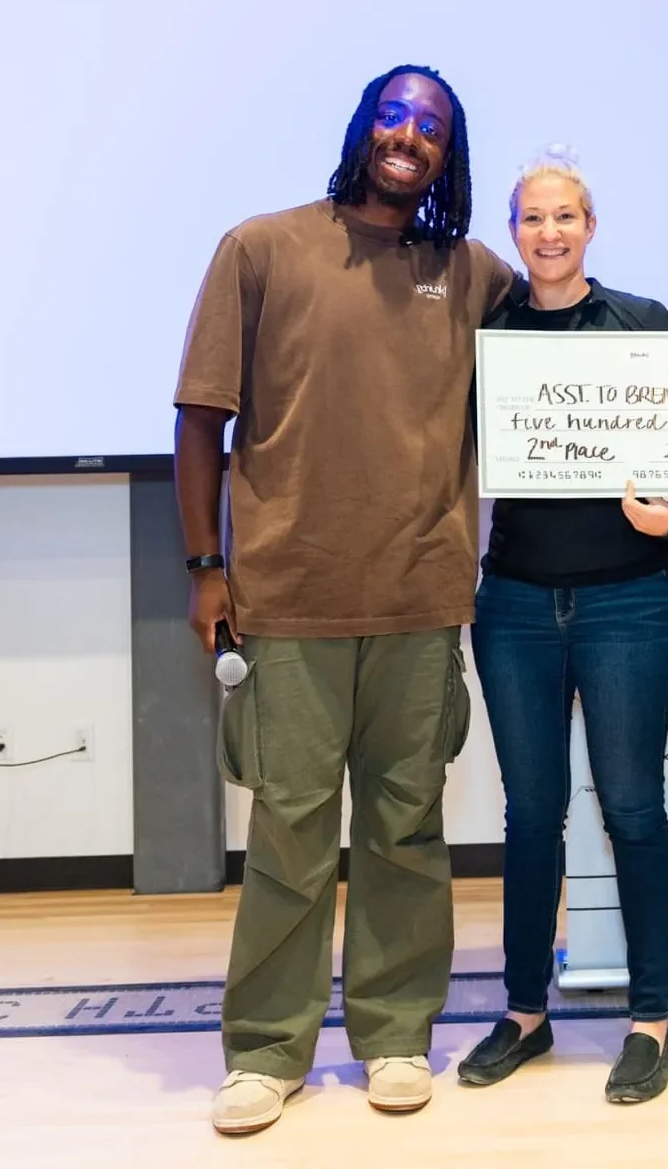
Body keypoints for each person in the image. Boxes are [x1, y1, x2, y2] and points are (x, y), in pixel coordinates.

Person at [172, 65, 515, 1136]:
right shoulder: (261, 248)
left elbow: (572, 352)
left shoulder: (468, 273)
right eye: (394, 115)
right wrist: (204, 567)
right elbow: (198, 421)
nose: (408, 135)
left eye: (432, 126)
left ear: (447, 154)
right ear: (363, 127)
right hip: (289, 595)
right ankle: (267, 1052)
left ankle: (396, 1034)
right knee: (288, 831)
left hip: (420, 596)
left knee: (405, 830)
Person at [455, 149, 668, 1104]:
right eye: (531, 220)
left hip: (631, 599)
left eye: (565, 218)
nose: (549, 235)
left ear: (591, 226)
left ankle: (650, 1021)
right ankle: (524, 1011)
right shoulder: (487, 329)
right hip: (515, 599)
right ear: (513, 232)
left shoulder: (642, 324)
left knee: (635, 806)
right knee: (531, 815)